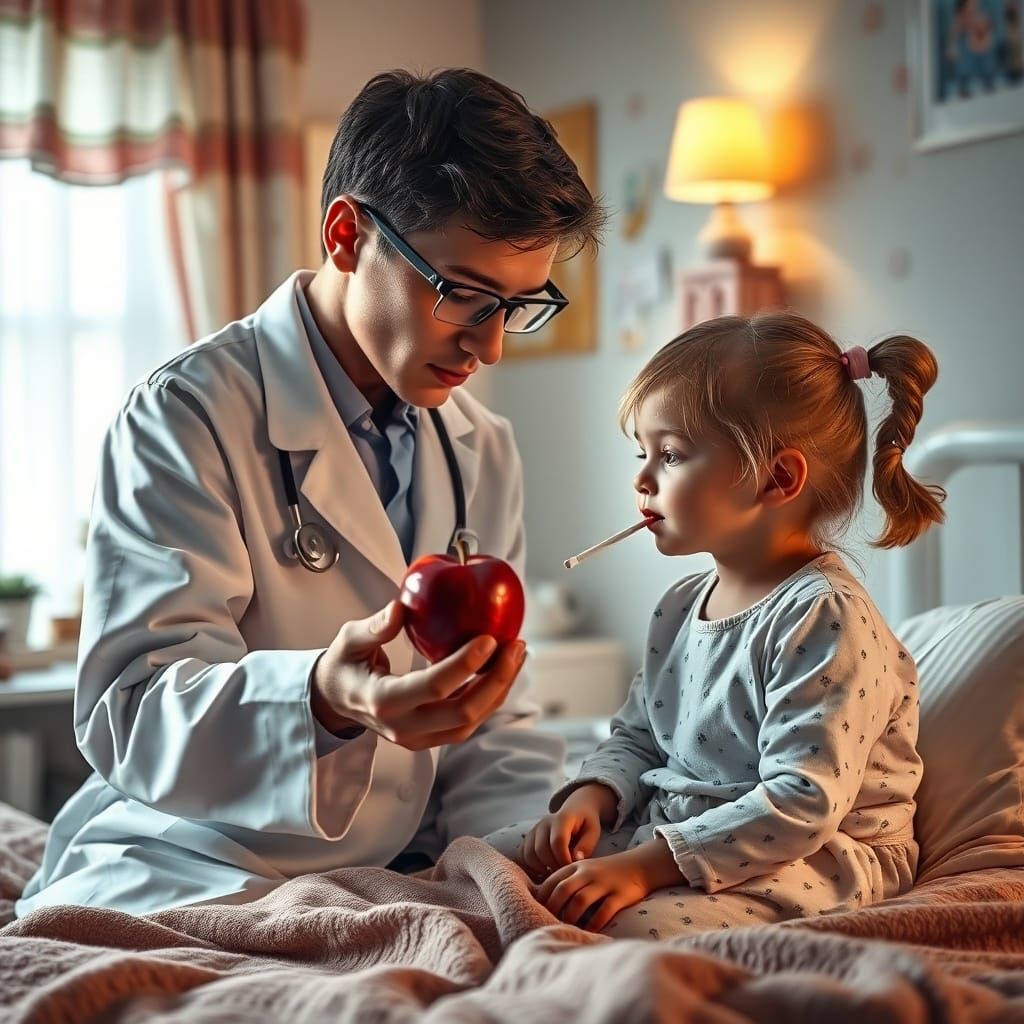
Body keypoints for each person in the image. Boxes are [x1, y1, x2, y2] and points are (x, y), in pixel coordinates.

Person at [17, 68, 605, 917]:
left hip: (402, 865)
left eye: (516, 307)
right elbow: (131, 712)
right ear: (345, 235)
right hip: (199, 854)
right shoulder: (187, 415)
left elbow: (491, 726)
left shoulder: (482, 446)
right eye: (463, 295)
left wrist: (514, 864)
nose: (491, 347)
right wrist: (323, 701)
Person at [487, 312, 945, 938]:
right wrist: (593, 798)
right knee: (491, 863)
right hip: (677, 829)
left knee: (619, 930)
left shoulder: (824, 618)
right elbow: (638, 734)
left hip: (809, 855)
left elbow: (802, 804)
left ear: (777, 478)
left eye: (670, 454)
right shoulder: (680, 605)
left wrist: (643, 869)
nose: (642, 478)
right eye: (642, 453)